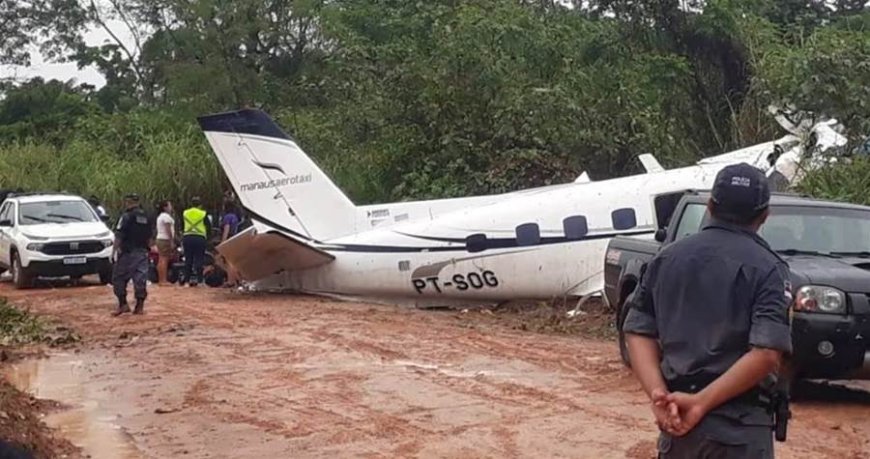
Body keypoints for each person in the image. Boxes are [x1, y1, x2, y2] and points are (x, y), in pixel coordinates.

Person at [623, 163, 792, 458]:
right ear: (764, 215)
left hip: (679, 429)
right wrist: (700, 402)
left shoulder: (667, 258)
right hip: (740, 431)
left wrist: (658, 395)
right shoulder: (769, 269)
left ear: (710, 206)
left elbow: (637, 331)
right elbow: (765, 354)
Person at [112, 194, 153, 316]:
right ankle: (139, 307)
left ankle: (123, 304)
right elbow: (150, 236)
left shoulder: (126, 216)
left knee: (118, 277)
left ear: (128, 202)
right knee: (140, 278)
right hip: (142, 252)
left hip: (127, 253)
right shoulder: (146, 217)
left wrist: (114, 250)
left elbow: (119, 234)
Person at [182, 196, 210, 287]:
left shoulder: (185, 213)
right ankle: (200, 281)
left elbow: (182, 225)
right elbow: (208, 226)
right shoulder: (203, 213)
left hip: (187, 237)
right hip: (199, 237)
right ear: (200, 205)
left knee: (188, 259)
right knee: (199, 259)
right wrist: (209, 237)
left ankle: (186, 281)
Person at [219, 203, 242, 287]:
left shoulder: (227, 217)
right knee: (233, 261)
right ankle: (236, 280)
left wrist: (223, 242)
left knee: (229, 261)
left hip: (229, 238)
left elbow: (226, 229)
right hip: (235, 239)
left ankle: (231, 281)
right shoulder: (236, 217)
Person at [155, 200, 175, 285]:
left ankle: (161, 279)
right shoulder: (166, 217)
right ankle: (163, 280)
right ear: (165, 207)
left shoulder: (160, 216)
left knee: (161, 259)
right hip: (165, 239)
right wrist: (171, 241)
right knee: (164, 259)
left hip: (160, 238)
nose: (171, 207)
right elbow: (168, 229)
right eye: (169, 205)